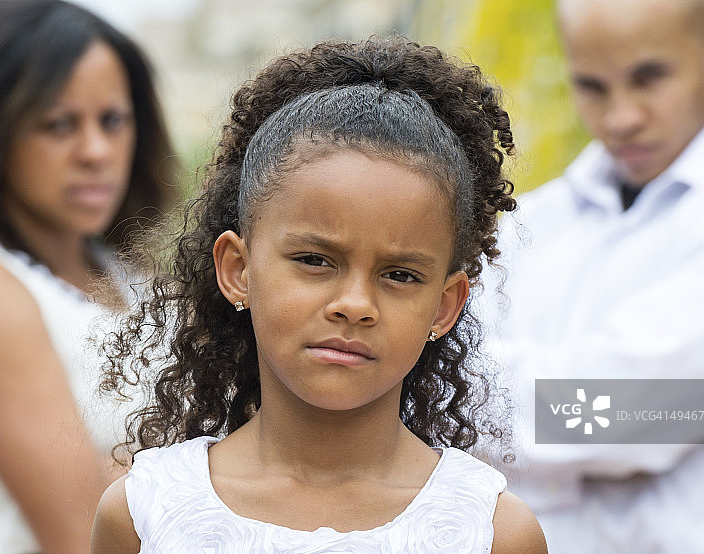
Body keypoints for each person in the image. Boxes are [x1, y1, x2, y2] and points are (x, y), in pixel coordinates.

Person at [90, 37, 547, 552]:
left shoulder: (492, 532)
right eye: (314, 260)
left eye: (400, 275)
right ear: (238, 270)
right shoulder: (144, 512)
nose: (355, 304)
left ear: (444, 306)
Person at [475, 0, 704, 551]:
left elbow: (613, 416)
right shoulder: (531, 224)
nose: (620, 117)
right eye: (592, 86)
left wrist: (452, 389)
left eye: (649, 78)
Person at [0, 1, 178, 552]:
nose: (96, 151)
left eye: (113, 120)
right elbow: (79, 531)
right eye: (59, 124)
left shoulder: (134, 276)